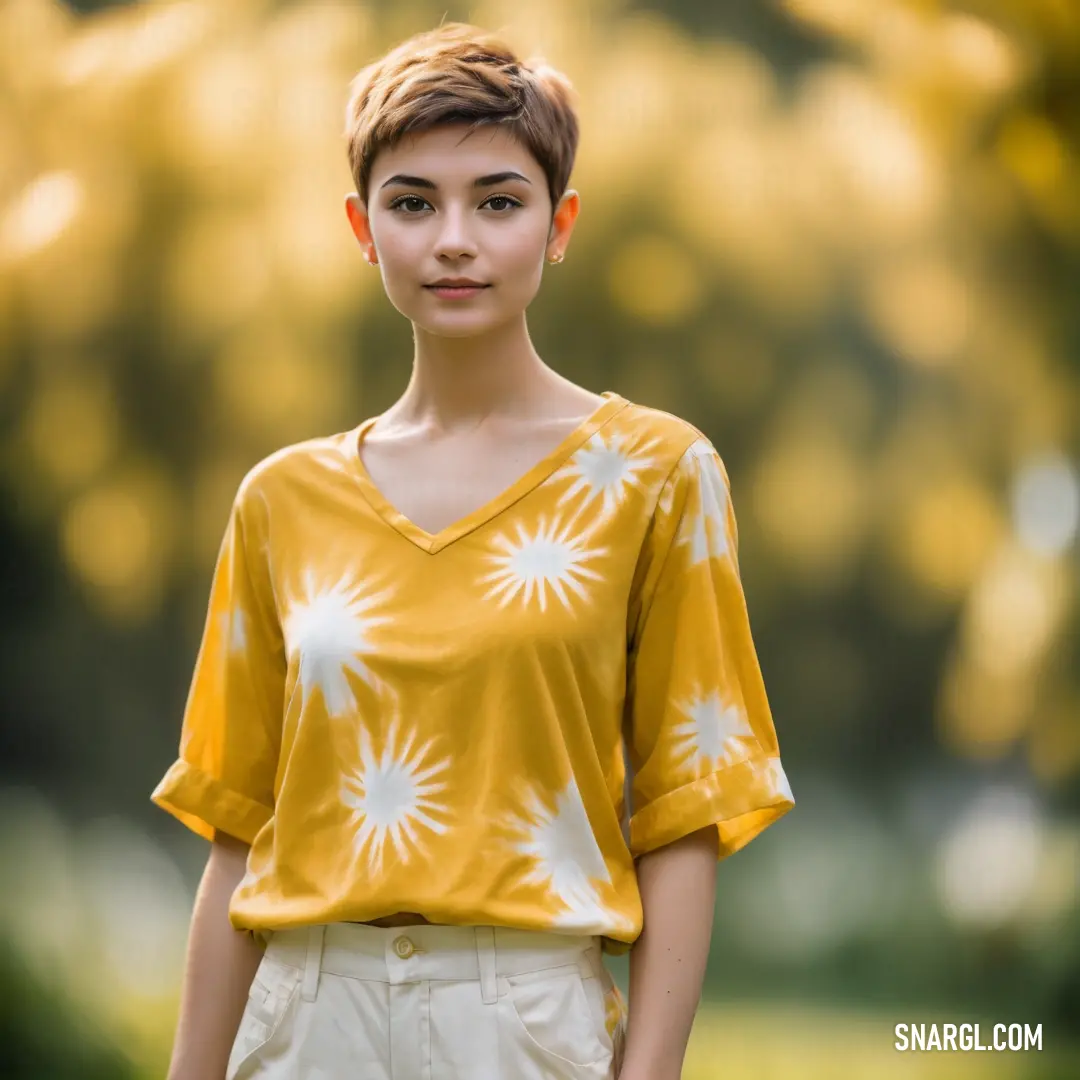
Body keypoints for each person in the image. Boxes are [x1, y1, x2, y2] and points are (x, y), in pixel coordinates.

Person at [152, 21, 795, 1080]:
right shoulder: (282, 499)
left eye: (498, 201)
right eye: (414, 203)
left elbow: (685, 816)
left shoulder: (657, 474)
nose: (455, 239)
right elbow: (239, 834)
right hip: (304, 1019)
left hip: (527, 1022)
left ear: (559, 224)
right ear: (364, 228)